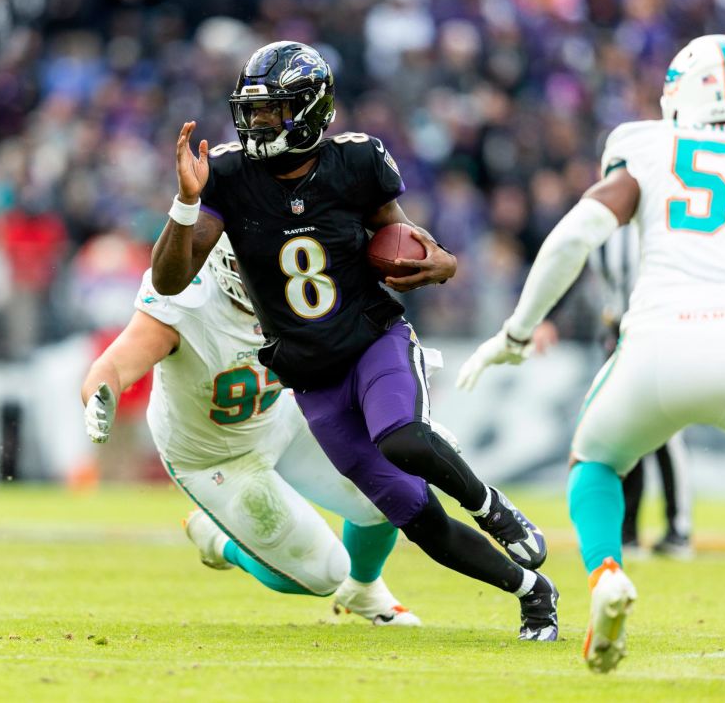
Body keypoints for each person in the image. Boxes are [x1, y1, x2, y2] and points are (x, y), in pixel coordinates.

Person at [456, 34, 725, 673]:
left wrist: (516, 331)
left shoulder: (647, 146)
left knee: (595, 461)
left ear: (678, 98)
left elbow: (576, 234)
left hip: (654, 345)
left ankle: (606, 576)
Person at [150, 40, 557, 641]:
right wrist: (186, 205)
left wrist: (441, 262)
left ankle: (492, 507)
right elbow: (170, 280)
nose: (259, 123)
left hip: (373, 338)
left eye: (274, 110)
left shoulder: (357, 161)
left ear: (312, 110)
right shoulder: (230, 176)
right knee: (413, 516)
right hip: (310, 376)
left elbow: (400, 235)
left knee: (403, 437)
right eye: (253, 111)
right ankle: (534, 595)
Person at [82, 236, 418, 625]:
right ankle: (220, 541)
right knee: (322, 573)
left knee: (391, 490)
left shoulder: (305, 284)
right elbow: (112, 367)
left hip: (282, 417)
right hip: (214, 456)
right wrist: (98, 397)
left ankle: (365, 587)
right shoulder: (186, 302)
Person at [591, 226, 693, 559]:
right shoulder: (602, 227)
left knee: (664, 429)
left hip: (655, 330)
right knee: (623, 430)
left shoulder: (651, 225)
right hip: (618, 332)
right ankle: (630, 531)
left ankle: (678, 529)